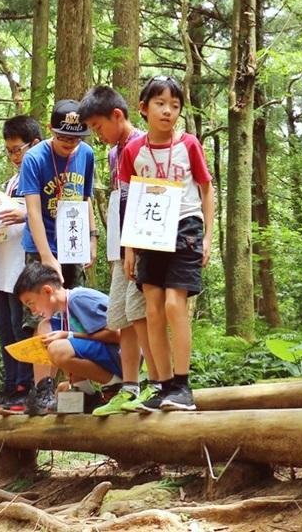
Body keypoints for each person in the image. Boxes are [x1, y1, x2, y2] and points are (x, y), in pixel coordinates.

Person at [115, 75, 212, 412]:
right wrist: (129, 248)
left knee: (174, 304)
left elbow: (206, 187)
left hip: (185, 225)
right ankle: (163, 385)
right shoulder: (132, 151)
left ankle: (183, 386)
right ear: (143, 109)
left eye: (174, 105)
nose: (168, 111)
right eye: (160, 104)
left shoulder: (189, 145)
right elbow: (130, 196)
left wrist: (208, 236)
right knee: (152, 307)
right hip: (148, 232)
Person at [79, 84, 160, 416]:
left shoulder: (144, 145)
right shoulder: (114, 153)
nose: (99, 136)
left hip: (141, 241)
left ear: (117, 115)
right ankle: (130, 385)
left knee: (143, 313)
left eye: (99, 128)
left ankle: (158, 382)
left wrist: (137, 246)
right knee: (123, 315)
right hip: (120, 242)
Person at [17, 100, 95, 414]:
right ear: (51, 131)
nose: (69, 145)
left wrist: (92, 238)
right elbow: (32, 211)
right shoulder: (34, 158)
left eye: (75, 139)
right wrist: (47, 257)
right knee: (42, 315)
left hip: (72, 243)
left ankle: (79, 388)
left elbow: (86, 197)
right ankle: (42, 389)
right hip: (41, 245)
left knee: (72, 313)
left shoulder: (86, 156)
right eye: (64, 138)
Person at [0, 115, 42, 416]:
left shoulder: (43, 173)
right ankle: (10, 383)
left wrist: (25, 215)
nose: (14, 157)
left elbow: (51, 214)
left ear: (35, 144)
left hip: (24, 264)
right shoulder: (11, 181)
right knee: (5, 328)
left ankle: (26, 386)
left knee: (21, 327)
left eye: (18, 149)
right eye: (9, 151)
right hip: (3, 261)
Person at [13, 261, 121, 395]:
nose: (33, 311)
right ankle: (83, 391)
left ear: (47, 291)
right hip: (105, 353)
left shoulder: (77, 298)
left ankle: (115, 384)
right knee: (46, 327)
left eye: (31, 303)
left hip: (120, 356)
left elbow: (118, 334)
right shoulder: (65, 311)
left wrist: (69, 335)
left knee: (57, 349)